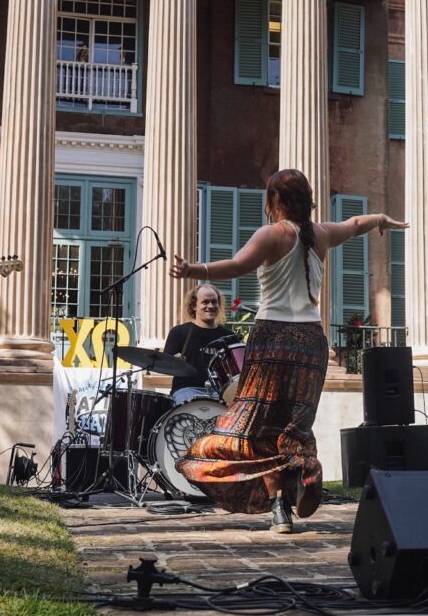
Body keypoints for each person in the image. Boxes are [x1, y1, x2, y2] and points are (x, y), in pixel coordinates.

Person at [168, 169, 407, 533]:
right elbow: (356, 223)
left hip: (273, 340)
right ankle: (305, 467)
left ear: (273, 201)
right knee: (295, 423)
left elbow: (237, 266)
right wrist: (381, 220)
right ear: (308, 200)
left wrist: (192, 270)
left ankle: (280, 506)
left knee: (259, 426)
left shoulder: (272, 234)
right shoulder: (321, 235)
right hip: (310, 341)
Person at [163, 284, 238, 405]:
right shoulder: (179, 332)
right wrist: (174, 362)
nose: (211, 306)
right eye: (205, 302)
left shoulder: (229, 336)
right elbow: (163, 364)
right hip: (187, 389)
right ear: (194, 306)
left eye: (214, 302)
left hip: (220, 392)